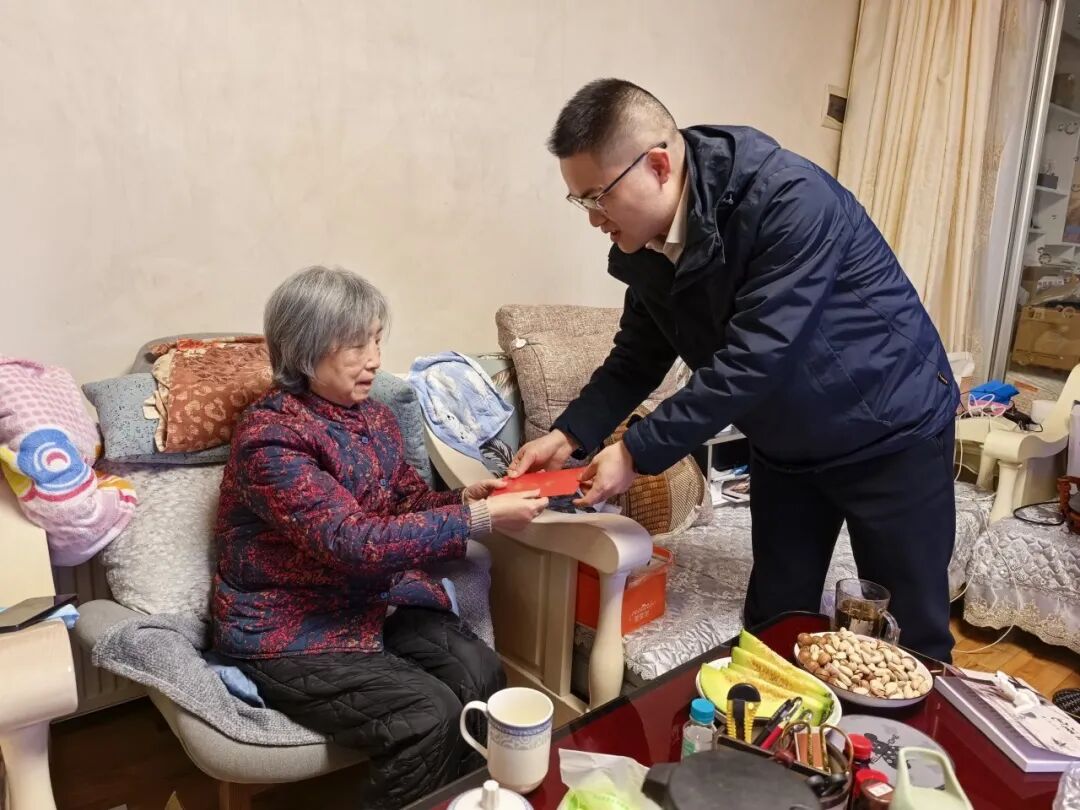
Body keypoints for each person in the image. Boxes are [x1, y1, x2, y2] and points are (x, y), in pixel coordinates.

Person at [509, 79, 959, 662]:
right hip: (786, 445)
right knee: (775, 620)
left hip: (889, 429)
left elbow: (755, 357)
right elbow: (637, 356)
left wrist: (637, 452)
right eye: (581, 202)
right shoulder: (643, 246)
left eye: (598, 197)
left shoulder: (790, 200)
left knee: (908, 638)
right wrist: (569, 435)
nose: (594, 219)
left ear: (658, 166)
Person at [211, 266, 548, 807]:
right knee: (427, 715)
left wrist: (466, 499)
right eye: (355, 344)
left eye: (376, 339)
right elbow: (352, 541)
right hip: (288, 627)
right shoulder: (270, 438)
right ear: (306, 349)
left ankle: (472, 799)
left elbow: (405, 503)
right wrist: (479, 521)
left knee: (481, 674)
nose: (374, 358)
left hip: (371, 602)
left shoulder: (375, 419)